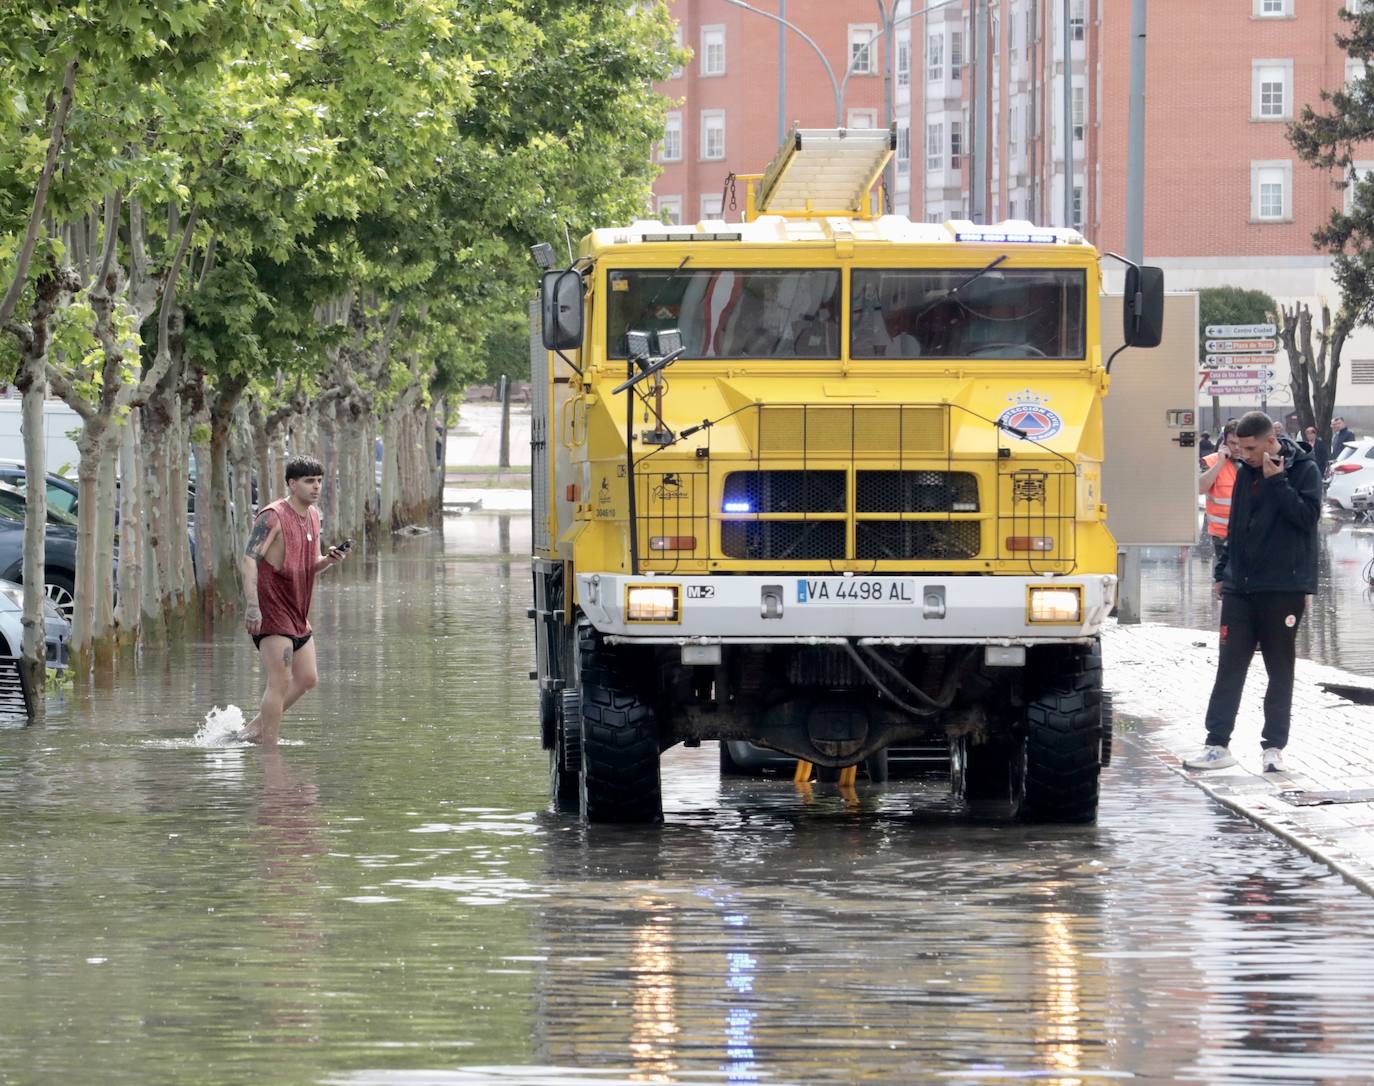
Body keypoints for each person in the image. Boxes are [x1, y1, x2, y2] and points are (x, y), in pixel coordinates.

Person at [1184, 412, 1322, 774]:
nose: (1243, 454)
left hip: (1283, 588)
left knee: (1280, 667)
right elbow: (1235, 524)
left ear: (1270, 441)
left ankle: (1273, 748)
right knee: (1230, 665)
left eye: (1249, 448)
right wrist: (1222, 571)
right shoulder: (1245, 471)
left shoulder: (1304, 468)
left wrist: (1278, 482)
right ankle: (1217, 744)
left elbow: (1307, 518)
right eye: (1238, 447)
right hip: (1240, 586)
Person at [240, 456, 351, 745]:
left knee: (308, 678)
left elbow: (304, 565)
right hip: (272, 611)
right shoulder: (272, 516)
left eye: (318, 481)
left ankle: (251, 731)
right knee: (279, 681)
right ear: (292, 483)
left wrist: (328, 560)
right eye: (308, 481)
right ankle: (269, 750)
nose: (316, 487)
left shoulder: (313, 515)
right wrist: (252, 606)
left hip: (298, 612)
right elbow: (249, 559)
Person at [1198, 423, 1239, 557]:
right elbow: (1200, 488)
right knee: (1224, 575)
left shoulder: (1255, 461)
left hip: (1251, 534)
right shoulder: (1211, 461)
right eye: (1232, 443)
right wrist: (1220, 463)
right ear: (1224, 442)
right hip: (1222, 536)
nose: (1237, 448)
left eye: (1240, 443)